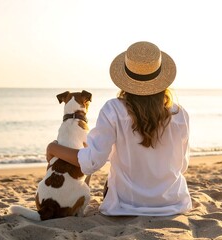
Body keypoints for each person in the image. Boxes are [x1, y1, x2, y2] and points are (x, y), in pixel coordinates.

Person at [46, 41, 192, 216]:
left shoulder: (113, 109)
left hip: (126, 205)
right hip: (173, 203)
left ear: (126, 80)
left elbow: (92, 162)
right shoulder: (179, 114)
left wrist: (53, 148)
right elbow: (182, 166)